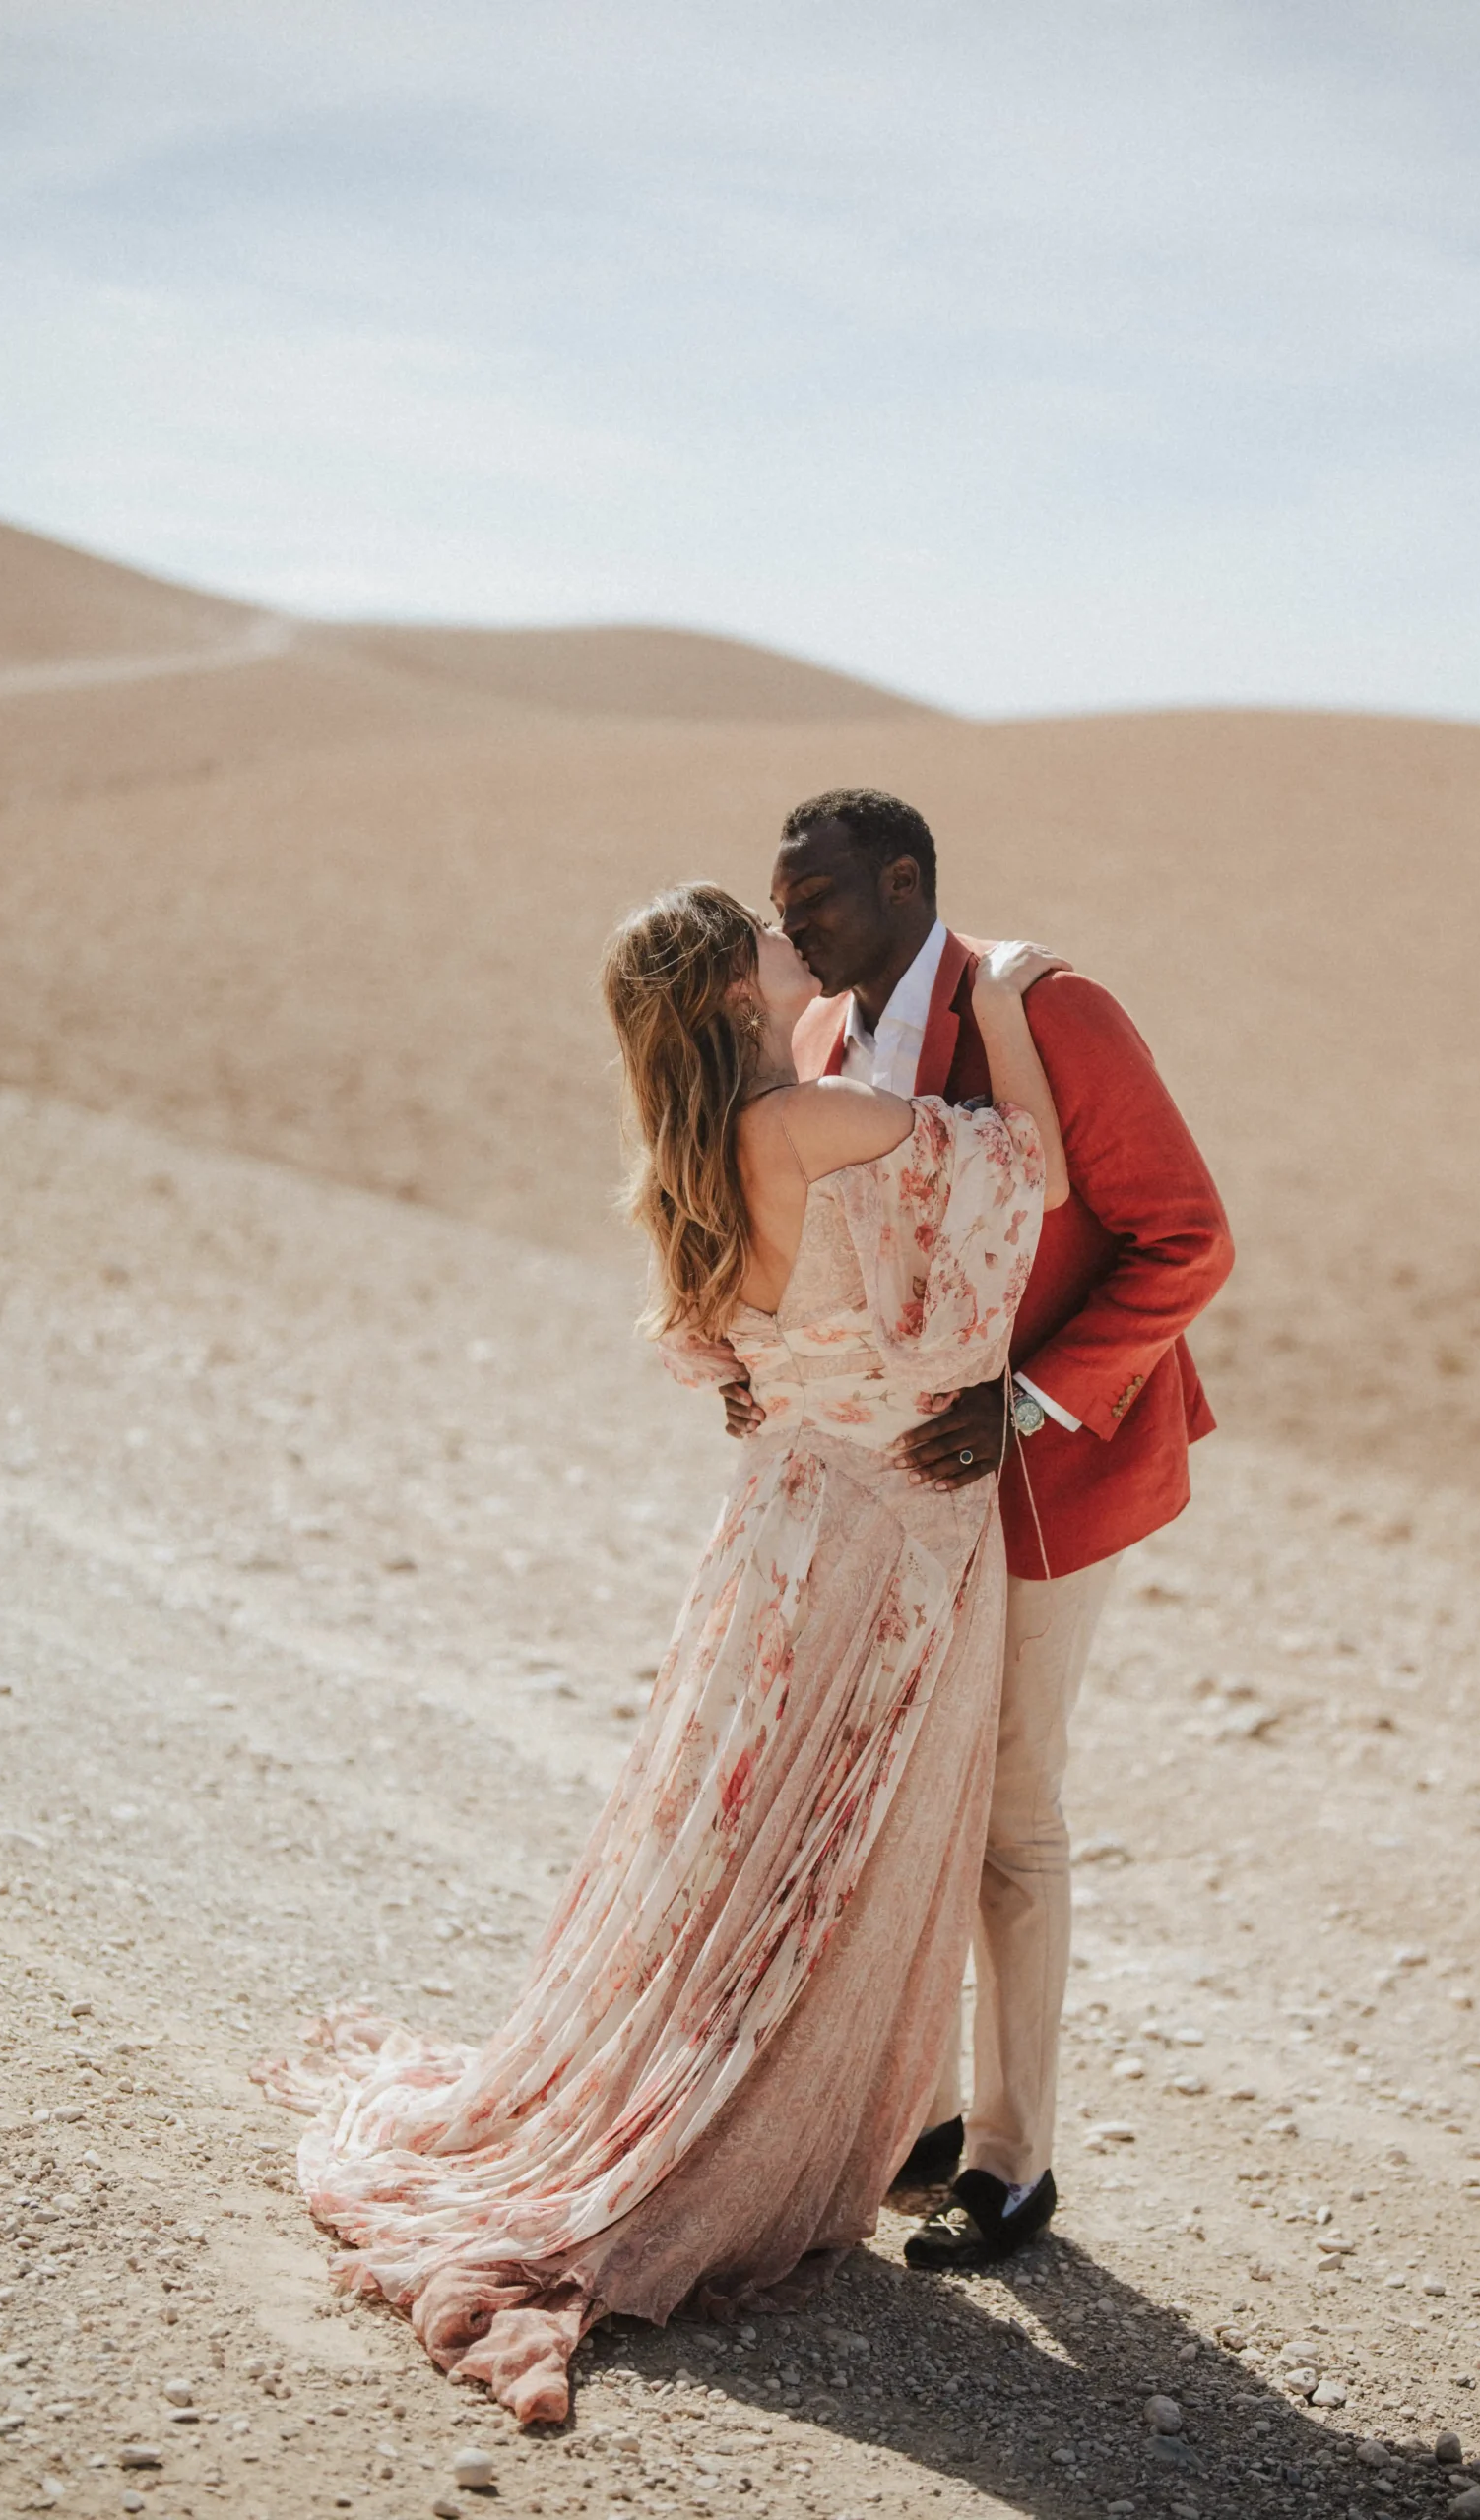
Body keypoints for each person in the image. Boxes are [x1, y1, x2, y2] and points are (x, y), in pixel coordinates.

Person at [253, 881, 1071, 2424]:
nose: (786, 930)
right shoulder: (814, 1116)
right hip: (889, 1532)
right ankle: (759, 2131)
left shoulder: (693, 1150)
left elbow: (722, 1348)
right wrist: (1013, 1005)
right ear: (727, 994)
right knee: (841, 1833)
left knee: (743, 1825)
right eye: (754, 929)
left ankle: (795, 2098)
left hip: (775, 1530)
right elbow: (1023, 1175)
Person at [721, 788, 1233, 2272]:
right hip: (889, 1501)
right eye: (780, 902)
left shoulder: (1046, 1005)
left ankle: (1014, 2164)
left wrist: (1021, 1409)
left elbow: (1184, 1240)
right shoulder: (816, 1041)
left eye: (812, 897)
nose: (794, 924)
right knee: (896, 1802)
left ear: (900, 881)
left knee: (1011, 1815)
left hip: (1043, 1482)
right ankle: (919, 2121)